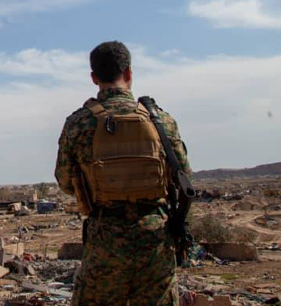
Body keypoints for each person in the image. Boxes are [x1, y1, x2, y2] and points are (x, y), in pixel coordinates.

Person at [55, 41, 192, 306]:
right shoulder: (160, 121)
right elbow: (184, 176)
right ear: (128, 73)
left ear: (94, 77)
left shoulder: (79, 123)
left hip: (105, 242)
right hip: (155, 241)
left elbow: (65, 182)